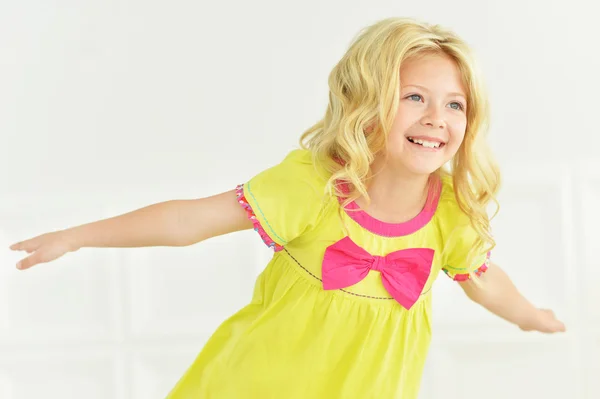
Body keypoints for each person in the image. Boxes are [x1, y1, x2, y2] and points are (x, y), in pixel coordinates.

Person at [9, 17, 565, 399]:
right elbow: (190, 221)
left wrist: (531, 317)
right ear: (367, 102)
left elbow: (484, 279)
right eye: (414, 97)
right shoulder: (316, 185)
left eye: (454, 104)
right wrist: (77, 235)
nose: (436, 118)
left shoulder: (451, 214)